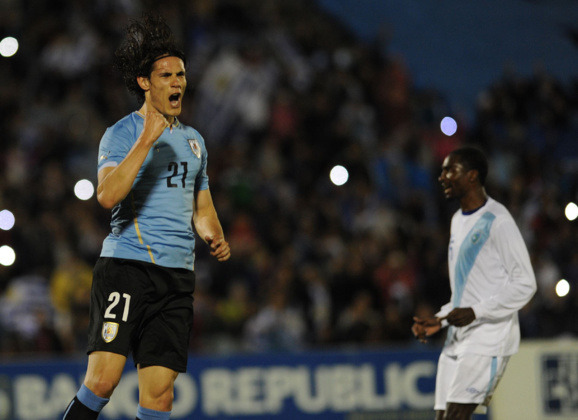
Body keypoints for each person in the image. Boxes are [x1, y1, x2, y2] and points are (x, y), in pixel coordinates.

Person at [62, 14, 230, 420]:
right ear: (145, 83)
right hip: (127, 266)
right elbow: (106, 196)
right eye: (167, 75)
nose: (177, 82)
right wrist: (147, 140)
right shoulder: (121, 133)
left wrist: (214, 236)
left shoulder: (194, 141)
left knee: (159, 398)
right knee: (102, 382)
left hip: (176, 278)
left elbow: (201, 207)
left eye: (181, 74)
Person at [411, 146, 536, 420]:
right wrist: (440, 320)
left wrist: (476, 312)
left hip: (489, 337)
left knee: (456, 417)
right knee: (444, 417)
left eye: (449, 170)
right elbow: (465, 293)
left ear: (472, 176)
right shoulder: (457, 221)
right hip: (458, 337)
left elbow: (526, 283)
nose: (442, 176)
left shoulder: (498, 221)